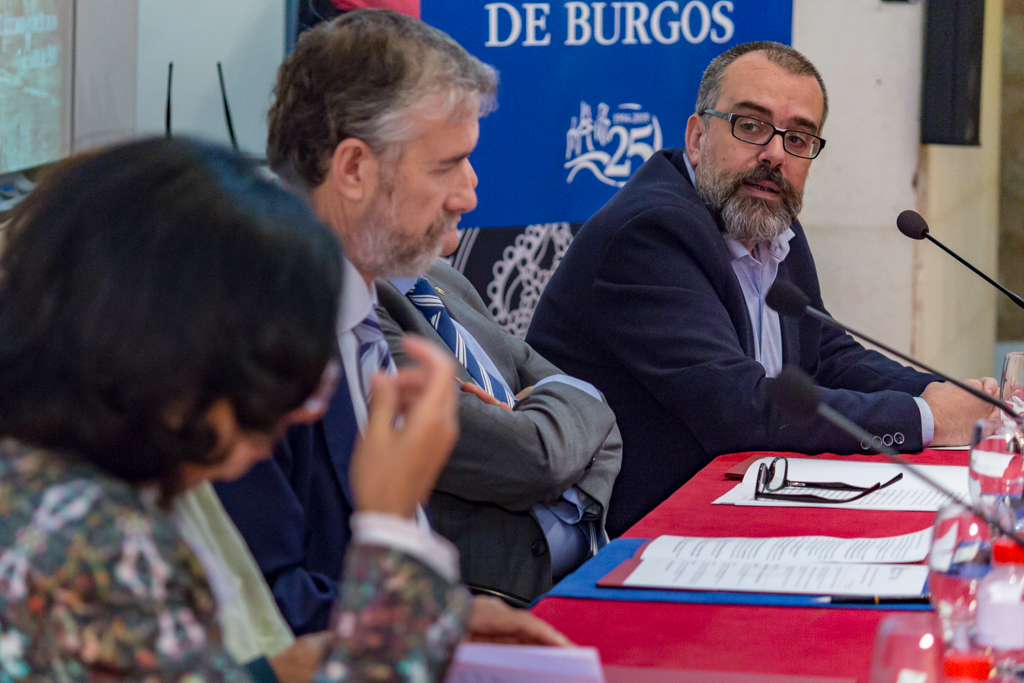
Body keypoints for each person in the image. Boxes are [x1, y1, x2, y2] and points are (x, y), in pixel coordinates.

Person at [0, 136, 478, 681]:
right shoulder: (95, 544)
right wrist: (394, 537)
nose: (298, 411)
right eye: (276, 373)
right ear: (173, 356)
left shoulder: (46, 484)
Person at [526, 41, 998, 536]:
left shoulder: (766, 219)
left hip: (738, 503)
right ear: (696, 136)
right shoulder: (650, 233)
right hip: (633, 532)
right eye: (751, 126)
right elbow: (740, 409)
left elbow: (828, 355)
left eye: (799, 138)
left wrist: (948, 396)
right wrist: (926, 418)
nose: (775, 154)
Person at [215, 8, 575, 640]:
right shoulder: (251, 336)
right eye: (447, 165)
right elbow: (268, 609)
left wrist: (451, 618)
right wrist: (433, 626)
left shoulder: (364, 299)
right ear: (353, 169)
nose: (469, 192)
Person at [375, 229, 622, 604]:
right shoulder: (361, 308)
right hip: (486, 602)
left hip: (579, 573)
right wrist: (548, 429)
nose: (468, 193)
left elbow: (596, 407)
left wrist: (545, 421)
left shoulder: (441, 278)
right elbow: (533, 459)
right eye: (444, 170)